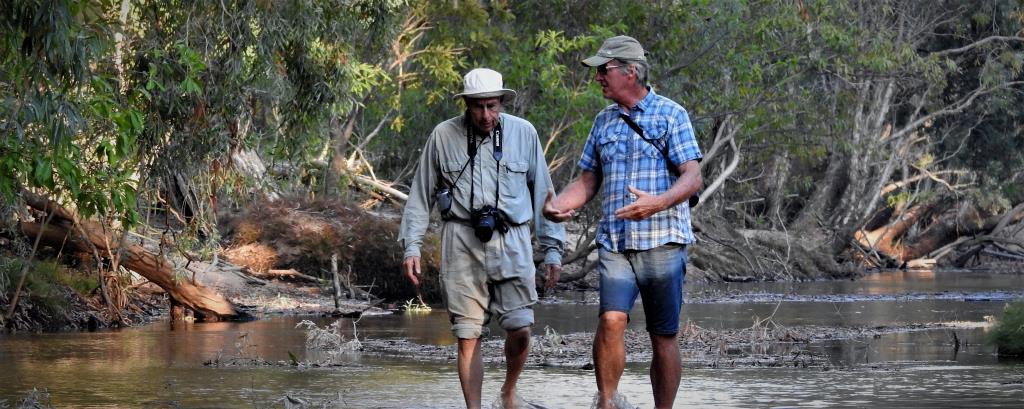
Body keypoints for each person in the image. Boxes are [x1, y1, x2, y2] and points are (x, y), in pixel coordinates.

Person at [543, 35, 703, 409]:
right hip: (615, 243)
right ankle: (608, 402)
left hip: (663, 241)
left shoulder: (671, 115)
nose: (598, 76)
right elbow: (587, 181)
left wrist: (657, 203)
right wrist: (558, 205)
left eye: (604, 69)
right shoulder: (603, 122)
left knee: (663, 335)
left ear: (631, 72)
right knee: (611, 320)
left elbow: (692, 177)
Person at [398, 68, 565, 409]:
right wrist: (412, 245)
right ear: (466, 105)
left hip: (513, 239)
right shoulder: (443, 135)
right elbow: (419, 195)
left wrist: (552, 250)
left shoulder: (524, 133)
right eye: (478, 107)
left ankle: (507, 391)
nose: (486, 115)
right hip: (460, 240)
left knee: (520, 329)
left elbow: (544, 196)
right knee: (467, 335)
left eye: (492, 106)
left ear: (502, 102)